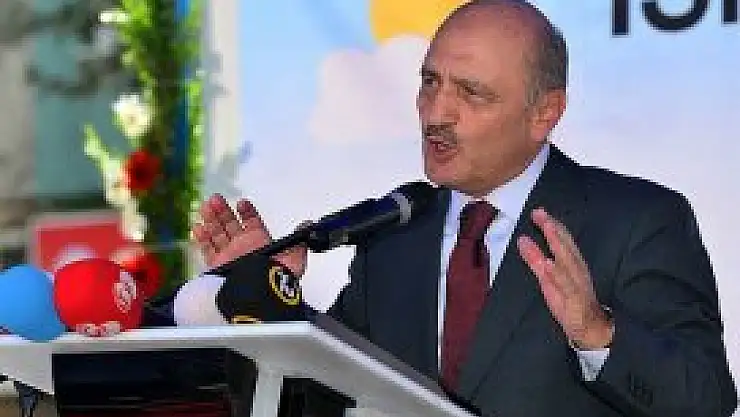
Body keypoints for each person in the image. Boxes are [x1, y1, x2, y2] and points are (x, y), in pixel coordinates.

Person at [193, 1, 738, 415]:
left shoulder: (637, 221)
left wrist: (597, 334)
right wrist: (263, 308)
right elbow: (315, 400)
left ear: (545, 113)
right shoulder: (395, 234)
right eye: (430, 82)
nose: (436, 113)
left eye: (472, 93)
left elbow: (707, 400)